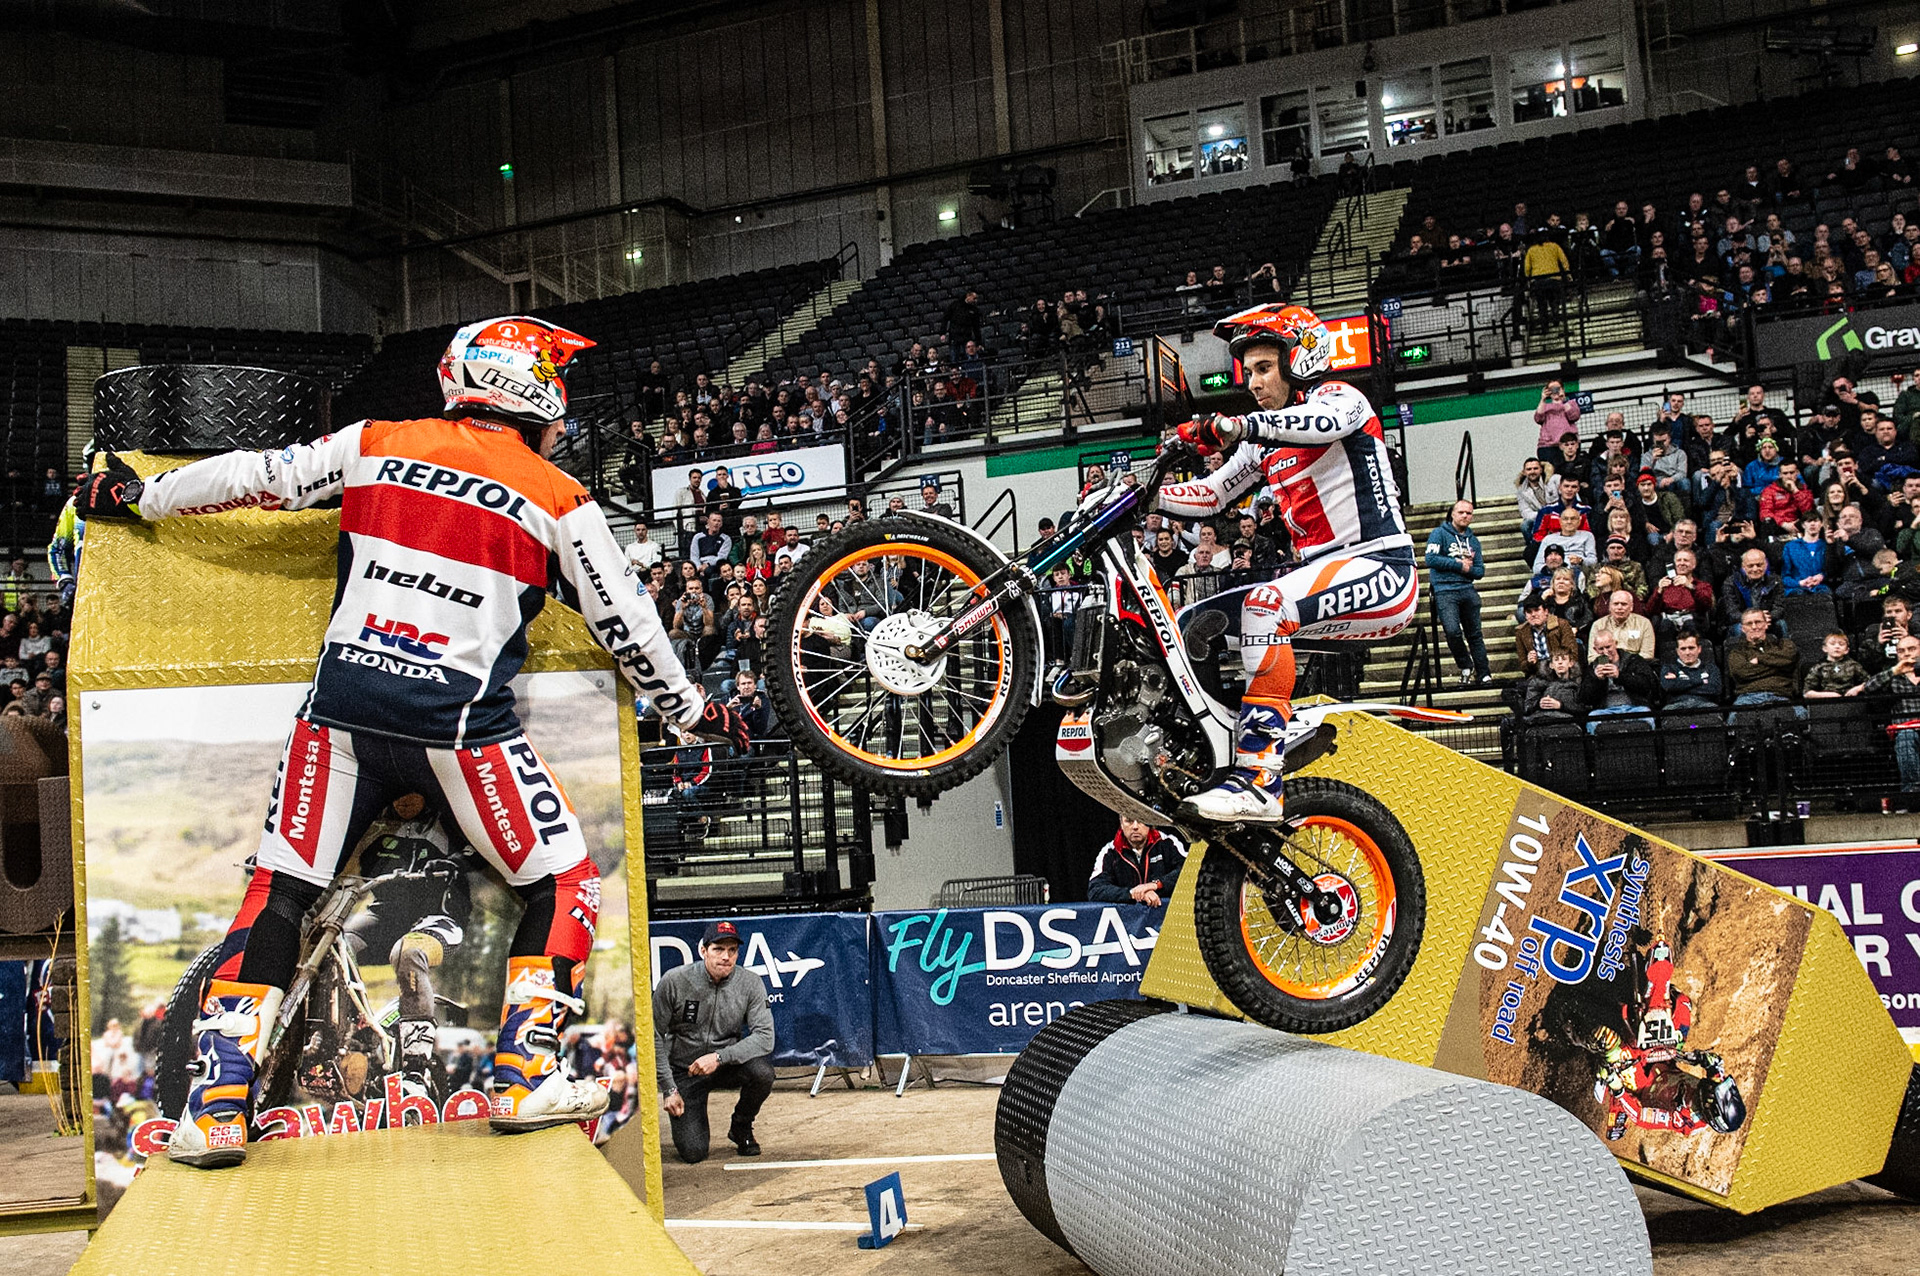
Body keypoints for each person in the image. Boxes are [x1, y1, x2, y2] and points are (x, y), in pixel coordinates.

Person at [71, 315, 752, 1168]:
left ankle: (212, 1111)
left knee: (278, 891)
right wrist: (691, 709)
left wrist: (136, 494)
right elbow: (629, 622)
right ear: (534, 391)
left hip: (341, 717)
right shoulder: (558, 497)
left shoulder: (375, 438)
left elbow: (258, 477)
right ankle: (522, 1079)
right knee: (568, 884)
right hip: (461, 731)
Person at [1158, 304, 1417, 822]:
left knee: (1265, 604)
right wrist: (1142, 495)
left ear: (1299, 360)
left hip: (1382, 568)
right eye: (1247, 372)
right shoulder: (1263, 442)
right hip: (1319, 575)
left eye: (1264, 368)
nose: (1252, 382)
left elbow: (1312, 424)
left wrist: (1235, 426)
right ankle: (1237, 746)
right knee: (1189, 626)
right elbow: (1210, 494)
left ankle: (1259, 778)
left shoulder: (1342, 400)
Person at [653, 920, 775, 1163]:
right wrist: (669, 1088)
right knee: (694, 1153)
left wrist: (719, 1057)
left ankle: (741, 1126)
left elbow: (765, 1037)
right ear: (703, 951)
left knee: (763, 1073)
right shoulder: (675, 981)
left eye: (732, 950)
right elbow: (654, 1034)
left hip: (724, 1065)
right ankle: (689, 1115)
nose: (726, 957)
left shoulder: (750, 983)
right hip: (685, 1071)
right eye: (718, 949)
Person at [1425, 499, 1492, 685]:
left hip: (1467, 590)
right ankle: (1465, 664)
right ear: (1452, 514)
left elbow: (1479, 571)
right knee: (1453, 631)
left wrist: (1466, 570)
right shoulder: (1439, 534)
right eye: (1461, 512)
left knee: (1475, 635)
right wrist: (1458, 565)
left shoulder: (1473, 541)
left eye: (1469, 513)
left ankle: (1484, 673)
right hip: (1445, 591)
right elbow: (1430, 559)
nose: (1465, 516)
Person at [1862, 635, 1920, 803]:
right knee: (1906, 738)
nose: (1906, 654)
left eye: (1912, 649)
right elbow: (1869, 687)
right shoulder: (1893, 677)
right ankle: (1913, 792)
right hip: (1906, 729)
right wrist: (1895, 670)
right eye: (1901, 651)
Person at [1086, 816, 1187, 906]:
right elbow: (1095, 890)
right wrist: (1132, 893)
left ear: (1149, 822)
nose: (1135, 826)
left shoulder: (1168, 842)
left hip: (1168, 918)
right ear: (1121, 823)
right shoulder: (1109, 852)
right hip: (1129, 922)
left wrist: (1155, 885)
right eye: (1128, 821)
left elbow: (1187, 873)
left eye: (1141, 820)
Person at [1583, 630, 1659, 731]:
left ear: (1616, 643)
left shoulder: (1633, 660)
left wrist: (1620, 676)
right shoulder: (1593, 667)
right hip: (1605, 711)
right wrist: (1596, 680)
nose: (1605, 652)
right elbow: (1585, 698)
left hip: (1635, 707)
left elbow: (1647, 686)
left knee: (1646, 717)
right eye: (1601, 649)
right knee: (1592, 720)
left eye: (1608, 647)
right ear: (1595, 650)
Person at [1724, 608, 1799, 706]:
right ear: (1742, 628)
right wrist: (1778, 666)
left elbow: (1789, 658)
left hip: (1782, 695)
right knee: (1735, 718)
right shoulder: (1737, 653)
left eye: (1758, 622)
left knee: (1802, 714)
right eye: (1749, 623)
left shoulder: (1784, 645)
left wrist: (1759, 659)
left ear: (1766, 624)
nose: (1754, 627)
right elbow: (1741, 672)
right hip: (1748, 697)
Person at [1514, 594, 1579, 676]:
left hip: (1562, 673)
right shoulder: (1521, 632)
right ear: (1525, 615)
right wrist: (1529, 663)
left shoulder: (1561, 625)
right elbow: (1523, 665)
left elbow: (1572, 654)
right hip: (1537, 674)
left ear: (1546, 612)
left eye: (1537, 610)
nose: (1533, 614)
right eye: (1529, 612)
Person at [1659, 632, 1723, 709]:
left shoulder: (1711, 668)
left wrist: (1680, 684)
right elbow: (1669, 687)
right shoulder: (1668, 668)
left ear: (1699, 649)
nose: (1687, 652)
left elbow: (1715, 689)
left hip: (1705, 705)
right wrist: (1701, 681)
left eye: (1691, 648)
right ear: (1677, 651)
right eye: (1683, 649)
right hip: (1676, 707)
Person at [1588, 590, 1654, 661]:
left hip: (1634, 667)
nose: (1619, 607)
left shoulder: (1644, 623)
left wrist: (1627, 666)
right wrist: (1608, 665)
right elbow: (1592, 656)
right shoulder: (1598, 625)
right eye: (1616, 604)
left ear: (1631, 607)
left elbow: (1647, 654)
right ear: (1609, 607)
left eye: (1624, 604)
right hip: (1606, 666)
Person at [1801, 632, 1867, 698]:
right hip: (1827, 703)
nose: (1837, 646)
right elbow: (1806, 693)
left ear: (1846, 650)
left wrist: (1858, 689)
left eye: (1841, 644)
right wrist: (1828, 695)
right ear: (1825, 648)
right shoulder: (1818, 667)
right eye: (1832, 644)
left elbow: (1869, 682)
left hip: (1850, 700)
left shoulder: (1854, 665)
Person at [1533, 384, 1581, 469]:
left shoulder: (1571, 403)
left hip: (1567, 445)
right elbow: (1538, 419)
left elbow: (1574, 416)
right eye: (1552, 389)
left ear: (1563, 389)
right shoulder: (1545, 406)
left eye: (1557, 388)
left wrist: (1563, 400)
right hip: (1548, 446)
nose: (1555, 391)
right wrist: (1543, 399)